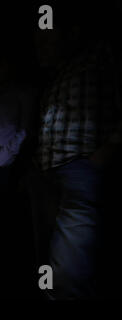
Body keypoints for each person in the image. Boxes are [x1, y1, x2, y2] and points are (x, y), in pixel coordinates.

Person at [29, 3, 122, 299]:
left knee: (67, 271)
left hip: (80, 169)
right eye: (38, 43)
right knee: (54, 257)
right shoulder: (58, 75)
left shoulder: (99, 56)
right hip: (49, 174)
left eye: (47, 40)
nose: (41, 48)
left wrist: (104, 154)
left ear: (72, 33)